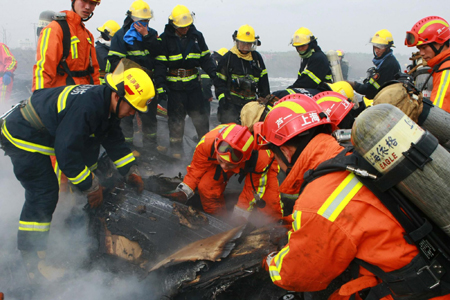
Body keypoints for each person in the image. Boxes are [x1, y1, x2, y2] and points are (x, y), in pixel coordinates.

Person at [255, 94, 450, 299]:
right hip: (434, 263)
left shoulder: (320, 201)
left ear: (284, 151)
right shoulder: (350, 155)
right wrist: (290, 224)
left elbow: (296, 274)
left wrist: (269, 260)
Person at [0, 59, 151, 283]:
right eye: (132, 107)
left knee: (86, 167)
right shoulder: (89, 107)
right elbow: (66, 153)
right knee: (44, 191)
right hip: (22, 134)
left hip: (44, 131)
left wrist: (130, 171)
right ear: (118, 96)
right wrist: (92, 187)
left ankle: (70, 223)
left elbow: (113, 140)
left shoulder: (105, 104)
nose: (132, 114)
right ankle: (33, 261)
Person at [164, 124, 282, 222]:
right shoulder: (207, 144)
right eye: (221, 161)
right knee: (207, 187)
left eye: (229, 165)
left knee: (270, 203)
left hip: (258, 168)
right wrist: (184, 192)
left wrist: (239, 216)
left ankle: (276, 227)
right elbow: (196, 169)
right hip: (229, 158)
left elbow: (253, 190)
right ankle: (219, 219)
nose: (224, 167)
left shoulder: (261, 159)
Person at [154, 5, 217, 159]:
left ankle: (207, 150)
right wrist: (161, 86)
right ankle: (176, 152)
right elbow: (160, 64)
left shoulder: (197, 37)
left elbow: (206, 59)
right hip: (174, 89)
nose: (185, 29)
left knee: (201, 119)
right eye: (182, 27)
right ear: (173, 24)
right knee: (176, 121)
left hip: (194, 87)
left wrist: (215, 75)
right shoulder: (164, 39)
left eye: (187, 26)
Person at [107, 0, 161, 149]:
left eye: (147, 21)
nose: (145, 23)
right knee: (126, 117)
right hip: (129, 84)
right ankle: (128, 148)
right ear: (132, 19)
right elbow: (114, 61)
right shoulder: (121, 35)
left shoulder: (152, 34)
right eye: (141, 21)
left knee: (149, 117)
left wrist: (146, 36)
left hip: (148, 83)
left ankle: (150, 149)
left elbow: (159, 54)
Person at [32, 0, 101, 91]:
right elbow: (44, 69)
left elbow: (94, 72)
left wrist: (98, 95)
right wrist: (40, 96)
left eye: (92, 3)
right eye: (84, 1)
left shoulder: (88, 35)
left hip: (84, 96)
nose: (87, 7)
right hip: (61, 95)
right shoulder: (55, 29)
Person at [214, 24, 269, 124]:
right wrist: (223, 101)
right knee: (231, 132)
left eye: (249, 44)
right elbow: (219, 82)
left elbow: (263, 81)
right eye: (243, 43)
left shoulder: (256, 58)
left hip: (251, 105)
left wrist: (265, 99)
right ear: (237, 42)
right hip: (232, 104)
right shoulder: (228, 58)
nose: (246, 47)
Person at [405, 16, 450, 113]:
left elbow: (438, 118)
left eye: (424, 47)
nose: (421, 53)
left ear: (440, 43)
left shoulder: (446, 70)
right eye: (419, 49)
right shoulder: (440, 67)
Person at [349, 29, 401, 100]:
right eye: (375, 47)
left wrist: (354, 85)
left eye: (380, 47)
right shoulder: (386, 61)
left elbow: (370, 90)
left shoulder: (388, 65)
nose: (377, 50)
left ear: (388, 48)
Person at [95, 20, 120, 84]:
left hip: (113, 82)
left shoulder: (109, 48)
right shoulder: (99, 49)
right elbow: (108, 65)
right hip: (102, 84)